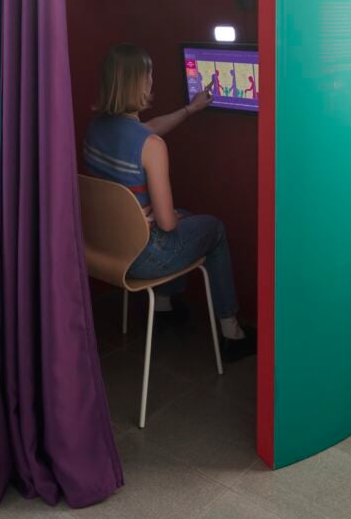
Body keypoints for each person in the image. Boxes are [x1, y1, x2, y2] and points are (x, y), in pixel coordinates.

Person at [83, 43, 256, 361]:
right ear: (140, 83)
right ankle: (232, 333)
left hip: (105, 247)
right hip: (142, 256)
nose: (153, 80)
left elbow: (144, 130)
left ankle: (164, 305)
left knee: (186, 217)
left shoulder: (95, 129)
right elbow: (166, 224)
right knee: (213, 229)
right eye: (149, 74)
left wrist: (190, 110)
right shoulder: (151, 146)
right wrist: (170, 215)